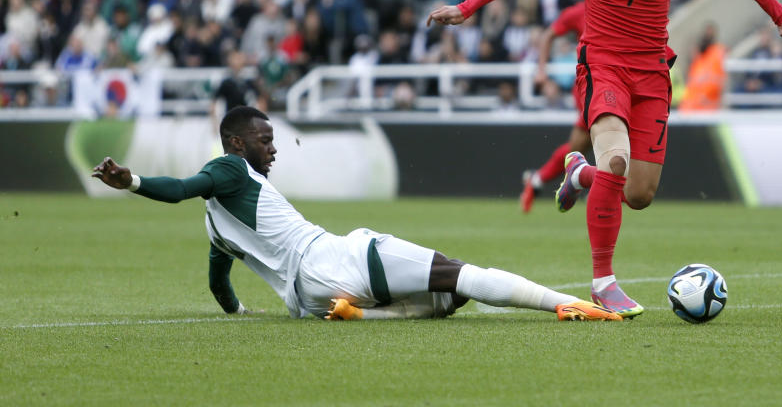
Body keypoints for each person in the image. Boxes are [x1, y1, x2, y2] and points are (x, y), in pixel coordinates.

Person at [427, 0, 782, 317]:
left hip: (653, 73)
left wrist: (779, 13)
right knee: (615, 158)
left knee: (638, 194)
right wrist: (466, 7)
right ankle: (603, 282)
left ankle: (579, 173)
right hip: (603, 65)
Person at [91, 106, 621, 322]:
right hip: (331, 256)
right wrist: (132, 181)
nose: (272, 150)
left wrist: (236, 314)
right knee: (463, 275)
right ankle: (570, 305)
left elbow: (218, 282)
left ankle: (364, 315)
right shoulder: (229, 169)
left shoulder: (219, 222)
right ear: (236, 142)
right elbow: (183, 186)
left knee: (447, 302)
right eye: (264, 140)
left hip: (306, 300)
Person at [519, 2, 592, 213]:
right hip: (590, 86)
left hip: (615, 83)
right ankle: (608, 190)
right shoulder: (578, 11)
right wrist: (541, 70)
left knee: (580, 147)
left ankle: (536, 180)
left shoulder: (620, 4)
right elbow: (547, 35)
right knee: (593, 141)